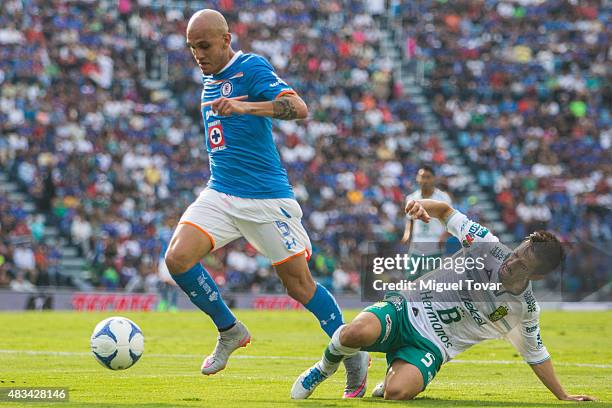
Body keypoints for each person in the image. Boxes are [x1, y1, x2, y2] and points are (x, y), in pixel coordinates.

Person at [163, 9, 368, 396]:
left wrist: (245, 106)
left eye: (204, 46)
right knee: (176, 258)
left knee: (299, 286)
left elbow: (298, 108)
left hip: (266, 199)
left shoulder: (251, 68)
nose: (198, 55)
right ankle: (230, 330)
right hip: (220, 192)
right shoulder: (208, 81)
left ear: (226, 39)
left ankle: (353, 351)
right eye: (192, 48)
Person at [291, 199, 597, 402]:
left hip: (432, 346)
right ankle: (324, 367)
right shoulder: (486, 245)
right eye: (517, 252)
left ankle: (393, 372)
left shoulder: (525, 310)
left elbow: (537, 355)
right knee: (353, 333)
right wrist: (420, 206)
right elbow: (446, 211)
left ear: (538, 277)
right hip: (406, 309)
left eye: (522, 263)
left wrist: (563, 396)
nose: (511, 261)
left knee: (395, 394)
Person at [401, 165, 452, 277]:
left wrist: (443, 236)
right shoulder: (411, 198)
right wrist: (407, 234)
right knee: (411, 279)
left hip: (435, 244)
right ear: (417, 179)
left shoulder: (443, 198)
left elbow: (449, 221)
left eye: (428, 177)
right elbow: (410, 220)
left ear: (434, 178)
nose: (424, 180)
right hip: (417, 243)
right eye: (422, 177)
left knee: (433, 281)